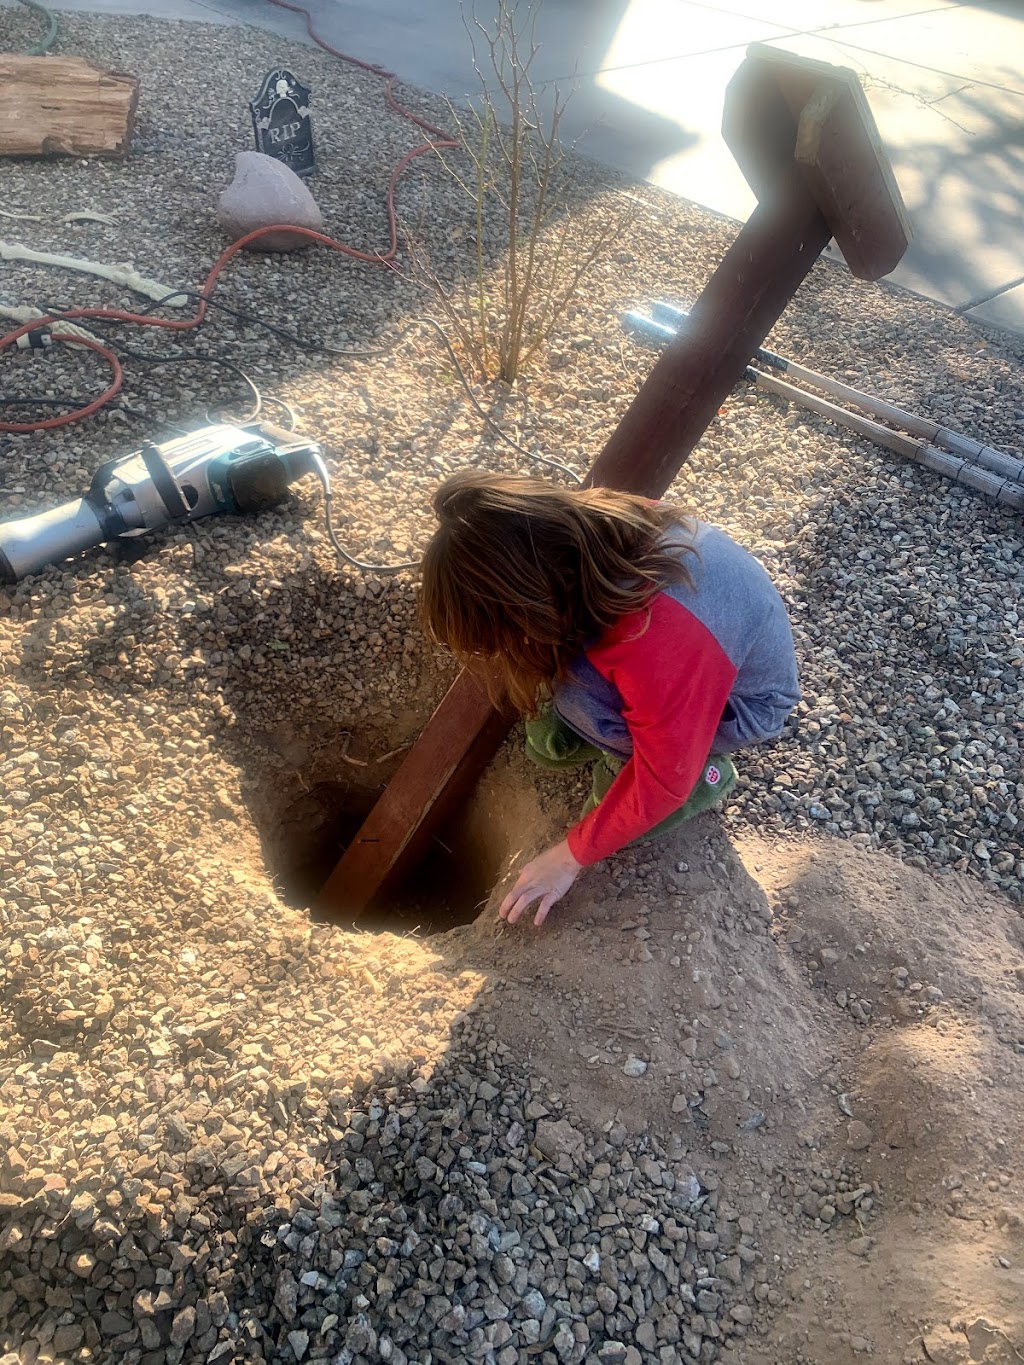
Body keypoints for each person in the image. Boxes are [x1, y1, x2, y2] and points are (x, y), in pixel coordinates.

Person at [419, 470, 800, 928]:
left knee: (585, 704)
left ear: (530, 599)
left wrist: (568, 856)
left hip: (741, 705)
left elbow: (662, 781)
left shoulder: (653, 640)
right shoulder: (587, 526)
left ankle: (707, 775)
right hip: (688, 654)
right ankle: (628, 732)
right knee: (569, 690)